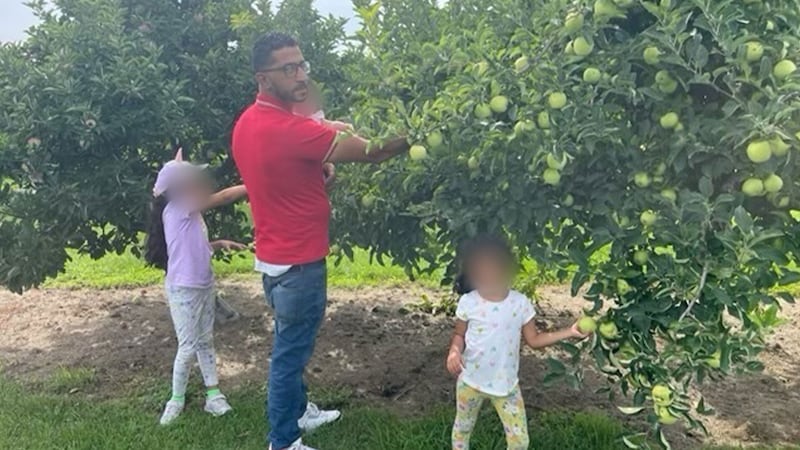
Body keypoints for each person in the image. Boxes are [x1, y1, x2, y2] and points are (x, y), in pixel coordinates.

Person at [231, 32, 410, 450]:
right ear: (263, 78)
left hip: (277, 259)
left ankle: (299, 412)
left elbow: (281, 175)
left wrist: (317, 172)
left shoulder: (248, 123)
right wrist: (422, 130)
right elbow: (375, 152)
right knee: (288, 357)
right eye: (288, 68)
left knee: (292, 346)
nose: (300, 75)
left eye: (302, 65)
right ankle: (284, 440)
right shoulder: (290, 130)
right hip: (299, 265)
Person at [445, 234, 591, 450]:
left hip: (506, 385)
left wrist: (569, 332)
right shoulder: (469, 302)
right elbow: (459, 335)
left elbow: (534, 340)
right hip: (470, 382)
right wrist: (454, 352)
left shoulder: (520, 304)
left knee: (520, 441)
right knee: (462, 429)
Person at [144, 148, 248, 425]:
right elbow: (223, 197)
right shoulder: (179, 207)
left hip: (202, 285)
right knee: (188, 345)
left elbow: (191, 246)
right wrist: (254, 184)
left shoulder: (189, 212)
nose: (197, 183)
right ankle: (175, 400)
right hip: (184, 288)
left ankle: (213, 396)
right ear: (177, 187)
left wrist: (219, 244)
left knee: (205, 341)